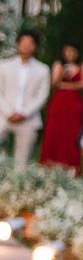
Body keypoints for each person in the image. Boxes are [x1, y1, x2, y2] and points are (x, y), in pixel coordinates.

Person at [0, 30, 51, 167]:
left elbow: (42, 95)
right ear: (18, 45)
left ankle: (17, 186)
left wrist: (24, 113)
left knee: (21, 162)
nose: (26, 46)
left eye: (30, 43)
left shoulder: (43, 69)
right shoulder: (4, 65)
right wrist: (8, 112)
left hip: (28, 118)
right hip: (4, 116)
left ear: (35, 47)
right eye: (23, 43)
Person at [35, 42, 83, 172]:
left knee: (71, 134)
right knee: (54, 132)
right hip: (59, 103)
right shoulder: (58, 64)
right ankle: (49, 164)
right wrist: (62, 75)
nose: (70, 54)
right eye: (67, 51)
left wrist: (66, 86)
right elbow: (53, 83)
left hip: (74, 103)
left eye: (73, 51)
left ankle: (70, 167)